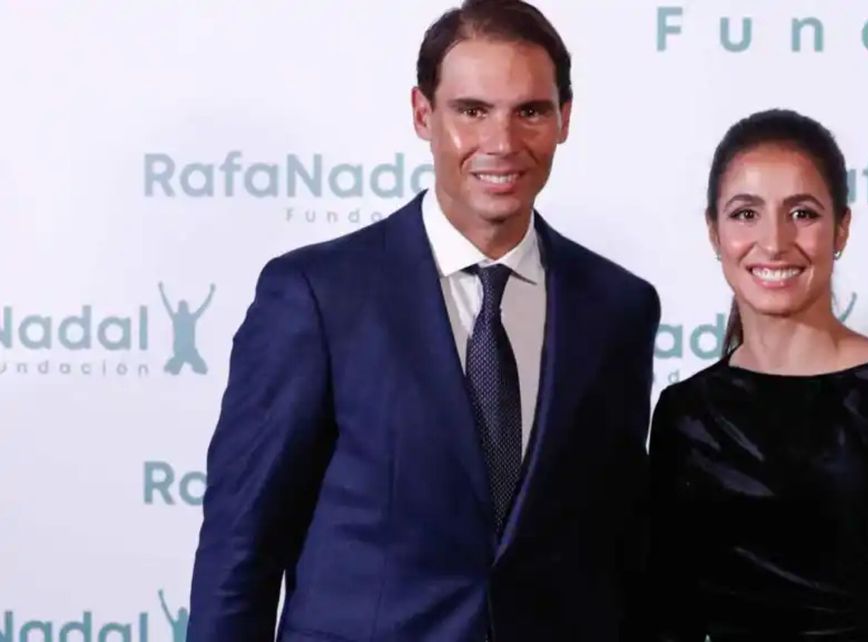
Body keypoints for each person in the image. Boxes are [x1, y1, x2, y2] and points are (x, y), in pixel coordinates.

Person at [186, 2, 660, 641]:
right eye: (472, 111)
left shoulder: (618, 307)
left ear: (564, 119)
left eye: (529, 112)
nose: (502, 143)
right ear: (422, 114)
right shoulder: (317, 296)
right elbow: (239, 548)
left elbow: (621, 550)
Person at [642, 109, 868, 641]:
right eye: (745, 214)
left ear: (841, 227)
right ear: (714, 232)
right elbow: (664, 620)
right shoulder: (686, 415)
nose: (774, 242)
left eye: (801, 213)